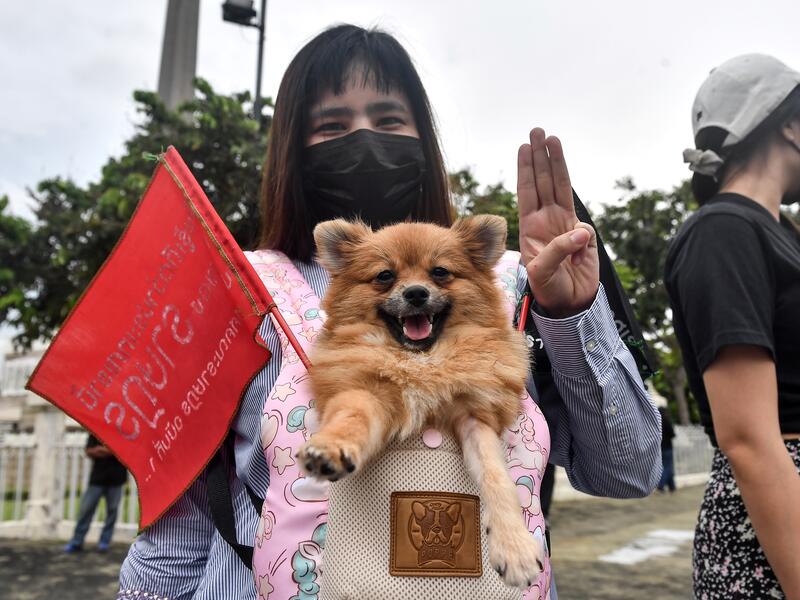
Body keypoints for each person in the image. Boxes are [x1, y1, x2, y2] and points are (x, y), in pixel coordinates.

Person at [118, 24, 661, 600]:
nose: (364, 139)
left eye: (388, 120)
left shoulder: (517, 282)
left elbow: (626, 472)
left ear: (423, 140)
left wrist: (574, 312)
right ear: (290, 150)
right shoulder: (236, 289)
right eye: (332, 125)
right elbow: (184, 517)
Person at [665, 53, 800, 599]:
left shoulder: (778, 233)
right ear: (790, 124)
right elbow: (747, 438)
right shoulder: (723, 229)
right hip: (771, 525)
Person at [64, 433, 128, 553]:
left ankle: (104, 542)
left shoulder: (123, 432)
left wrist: (101, 450)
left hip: (117, 479)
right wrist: (108, 451)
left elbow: (123, 451)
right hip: (97, 479)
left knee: (112, 512)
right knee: (86, 510)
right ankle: (76, 541)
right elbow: (89, 451)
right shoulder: (96, 431)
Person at [656, 406, 675, 493]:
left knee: (666, 467)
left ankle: (672, 487)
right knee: (668, 467)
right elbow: (672, 434)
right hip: (667, 447)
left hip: (659, 448)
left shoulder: (656, 421)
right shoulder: (666, 420)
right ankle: (660, 485)